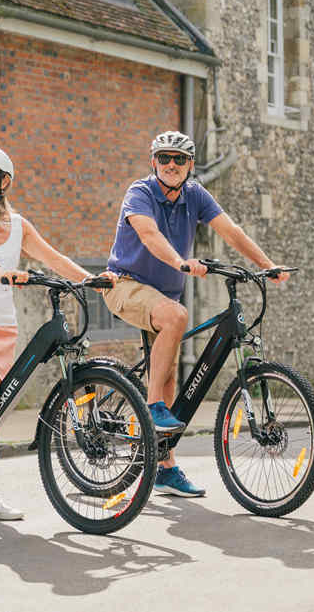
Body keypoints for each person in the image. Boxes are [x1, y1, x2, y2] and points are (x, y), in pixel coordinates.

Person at [0, 144, 115, 519]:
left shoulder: (19, 226)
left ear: (4, 181)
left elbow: (52, 257)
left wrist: (90, 279)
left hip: (1, 326)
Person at [102, 131, 289, 497]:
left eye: (180, 159)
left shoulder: (195, 194)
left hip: (164, 295)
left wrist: (266, 265)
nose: (172, 165)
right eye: (165, 158)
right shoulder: (139, 193)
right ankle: (152, 406)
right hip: (125, 285)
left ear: (190, 165)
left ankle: (164, 467)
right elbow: (149, 233)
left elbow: (230, 230)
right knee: (176, 317)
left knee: (170, 371)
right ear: (154, 162)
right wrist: (179, 261)